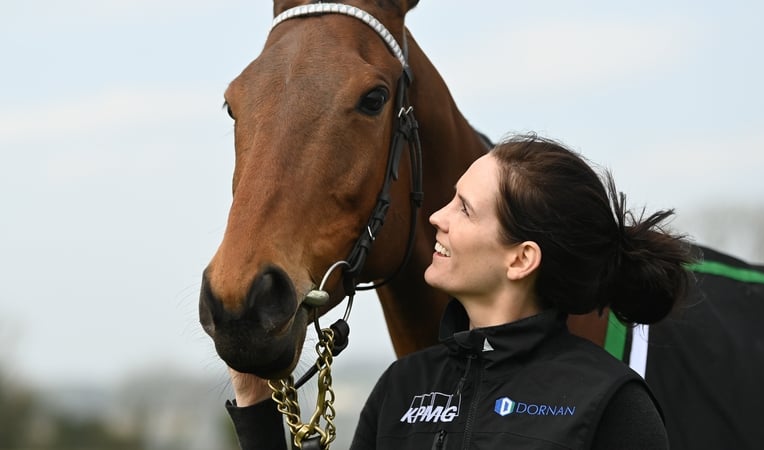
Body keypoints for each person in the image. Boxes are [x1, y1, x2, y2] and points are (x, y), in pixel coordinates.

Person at [225, 133, 693, 449]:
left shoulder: (611, 403)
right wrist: (255, 404)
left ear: (521, 259)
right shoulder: (403, 388)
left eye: (464, 210)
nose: (437, 217)